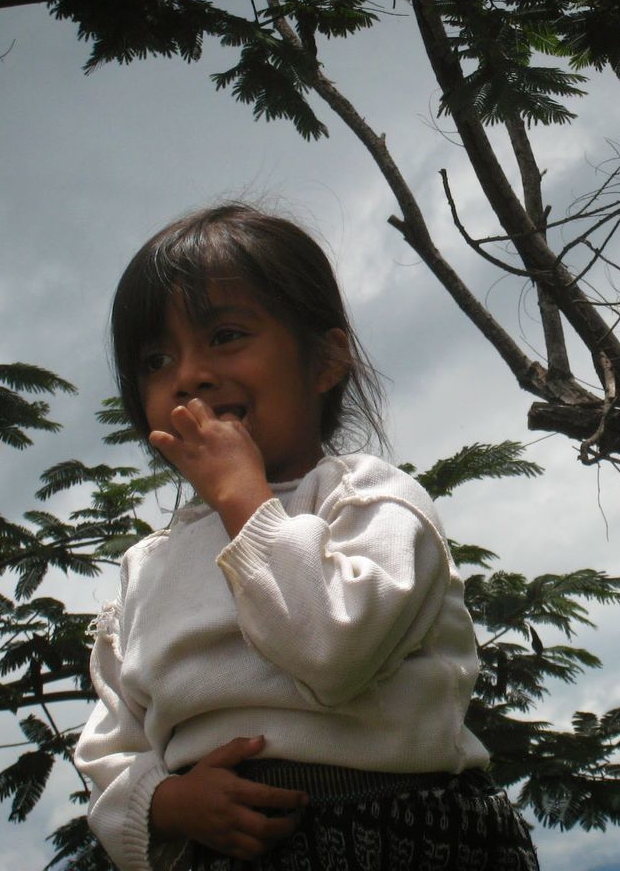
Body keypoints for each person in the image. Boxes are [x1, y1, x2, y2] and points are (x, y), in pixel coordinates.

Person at [76, 204, 539, 871]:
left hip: (409, 830)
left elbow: (336, 649)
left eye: (226, 335)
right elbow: (111, 748)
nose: (191, 374)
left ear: (324, 360)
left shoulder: (371, 501)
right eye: (156, 359)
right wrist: (164, 803)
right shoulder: (147, 569)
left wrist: (245, 502)